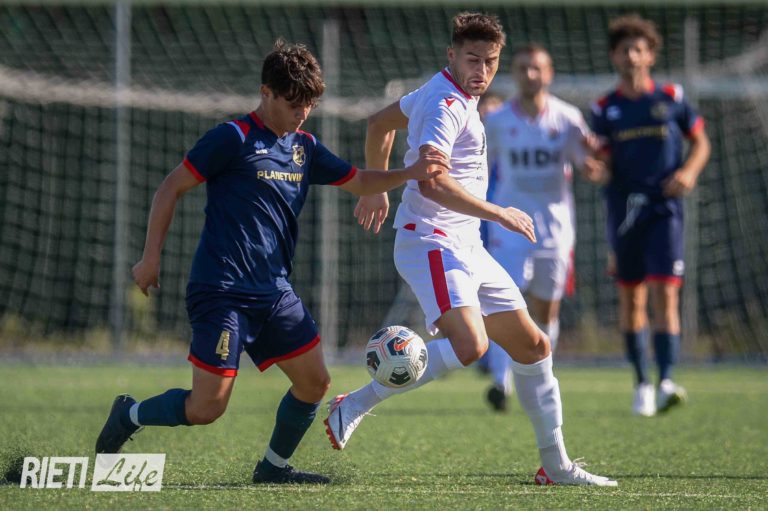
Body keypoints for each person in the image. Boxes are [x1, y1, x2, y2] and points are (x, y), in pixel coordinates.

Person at [94, 40, 447, 485]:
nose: (303, 114)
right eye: (294, 104)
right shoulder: (232, 137)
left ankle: (273, 468)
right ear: (266, 93)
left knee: (315, 382)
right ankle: (130, 413)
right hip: (222, 291)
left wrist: (408, 173)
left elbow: (359, 180)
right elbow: (170, 187)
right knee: (207, 408)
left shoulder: (305, 147)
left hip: (275, 292)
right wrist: (150, 257)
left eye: (310, 105)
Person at [325, 12, 617, 487]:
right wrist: (498, 212)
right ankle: (355, 402)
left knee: (534, 346)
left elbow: (379, 124)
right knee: (471, 345)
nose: (482, 70)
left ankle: (556, 465)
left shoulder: (443, 91)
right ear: (452, 56)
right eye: (472, 59)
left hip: (465, 245)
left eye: (491, 61)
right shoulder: (445, 104)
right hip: (431, 241)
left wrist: (376, 189)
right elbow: (433, 182)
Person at [588, 15, 711, 416]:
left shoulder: (671, 98)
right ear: (614, 56)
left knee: (666, 293)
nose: (631, 56)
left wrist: (689, 172)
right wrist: (597, 170)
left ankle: (667, 381)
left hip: (665, 210)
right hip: (624, 211)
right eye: (624, 50)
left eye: (638, 49)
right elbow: (602, 161)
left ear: (651, 55)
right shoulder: (604, 108)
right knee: (631, 298)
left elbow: (701, 142)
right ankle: (641, 383)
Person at [482, 44, 604, 412]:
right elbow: (480, 166)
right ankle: (500, 382)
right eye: (523, 68)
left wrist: (592, 164)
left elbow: (587, 163)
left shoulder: (567, 118)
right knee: (504, 302)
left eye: (537, 68)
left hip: (554, 230)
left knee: (546, 310)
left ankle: (540, 378)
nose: (530, 75)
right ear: (514, 74)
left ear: (549, 73)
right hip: (509, 228)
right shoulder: (497, 120)